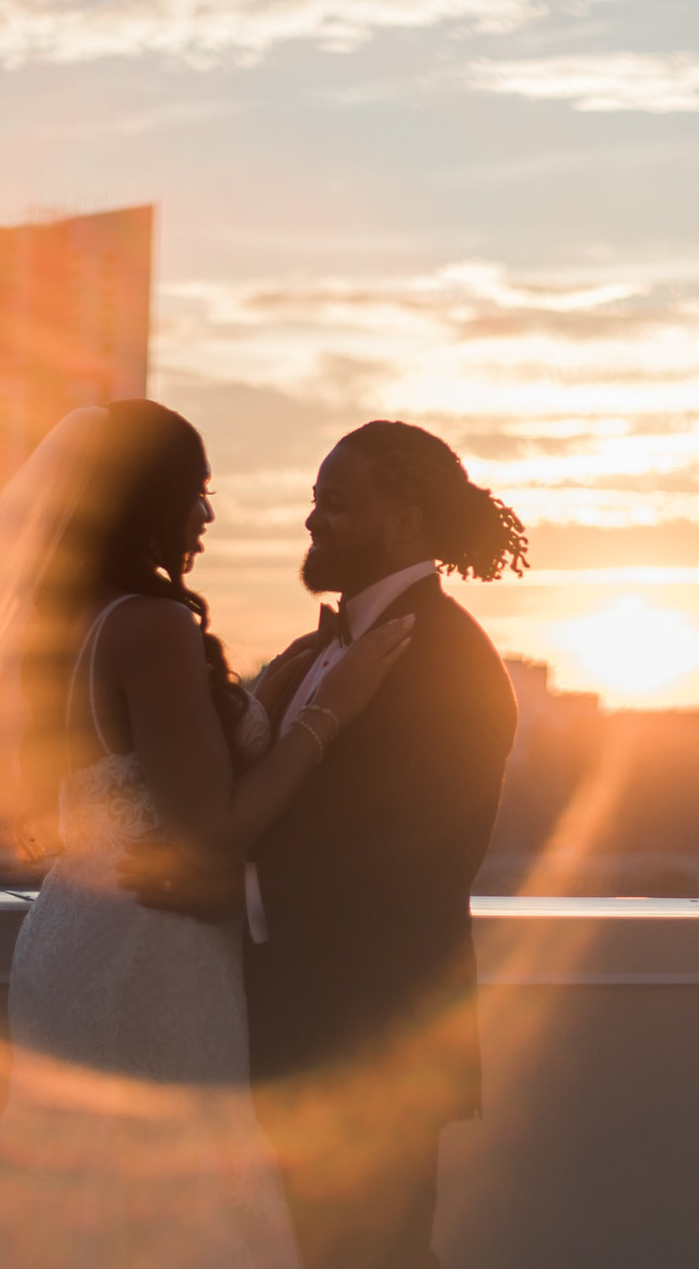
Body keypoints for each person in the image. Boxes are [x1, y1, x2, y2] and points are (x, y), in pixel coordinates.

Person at [0, 401, 415, 1269]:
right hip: (149, 950)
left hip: (73, 936)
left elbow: (151, 766)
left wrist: (272, 689)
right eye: (197, 491)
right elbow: (213, 831)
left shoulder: (74, 619)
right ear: (147, 498)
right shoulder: (152, 628)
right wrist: (326, 718)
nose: (208, 515)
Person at [124, 421, 526, 1269]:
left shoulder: (450, 660)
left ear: (410, 520)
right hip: (286, 1038)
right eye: (314, 501)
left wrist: (241, 894)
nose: (313, 521)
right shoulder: (323, 650)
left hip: (371, 1047)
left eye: (337, 504)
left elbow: (421, 857)